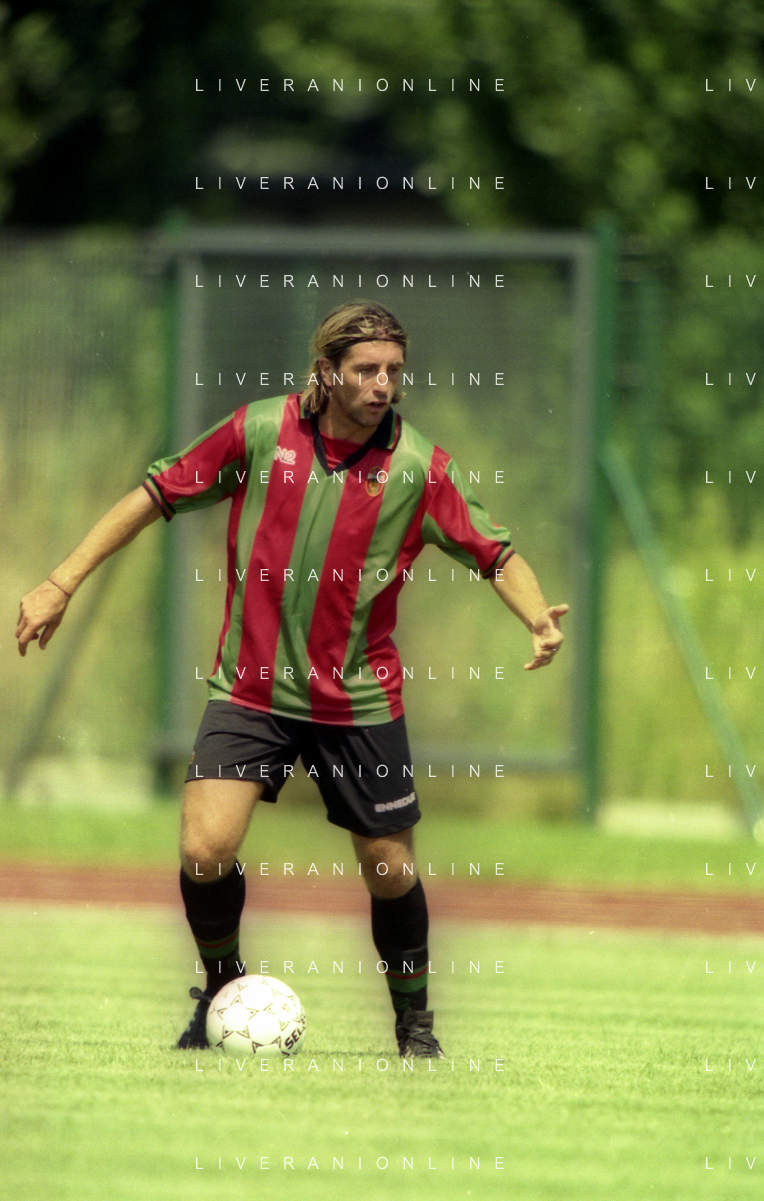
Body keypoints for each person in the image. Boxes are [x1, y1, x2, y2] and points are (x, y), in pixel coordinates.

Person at [16, 301, 568, 1059]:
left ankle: (415, 1028)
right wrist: (60, 582)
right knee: (205, 849)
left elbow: (496, 553)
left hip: (358, 700)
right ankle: (222, 991)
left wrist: (537, 617)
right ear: (326, 371)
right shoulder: (259, 430)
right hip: (250, 689)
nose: (383, 385)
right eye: (366, 370)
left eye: (394, 371)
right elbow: (156, 493)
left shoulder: (420, 468)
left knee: (389, 868)